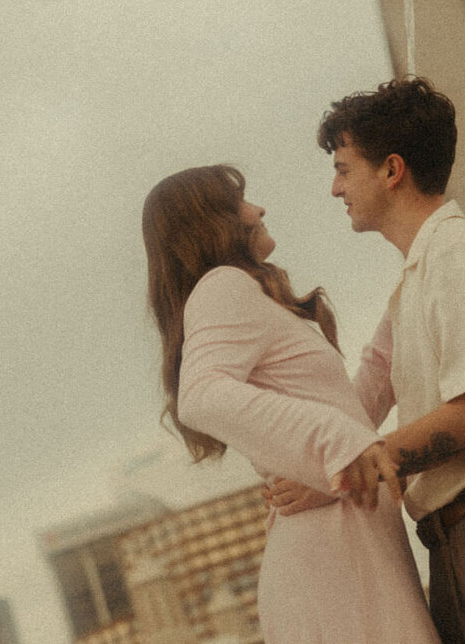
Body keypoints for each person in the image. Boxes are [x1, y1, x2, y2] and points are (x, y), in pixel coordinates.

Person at [283, 76, 465, 644]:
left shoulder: (457, 254)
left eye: (344, 168)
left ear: (392, 170)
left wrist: (347, 473)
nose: (335, 189)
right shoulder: (417, 277)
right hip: (463, 545)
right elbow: (364, 390)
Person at [143, 164, 440, 643]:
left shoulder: (248, 296)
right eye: (240, 201)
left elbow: (350, 410)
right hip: (331, 556)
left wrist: (406, 301)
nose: (258, 210)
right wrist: (339, 445)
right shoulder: (222, 285)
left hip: (348, 543)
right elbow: (201, 394)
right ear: (211, 222)